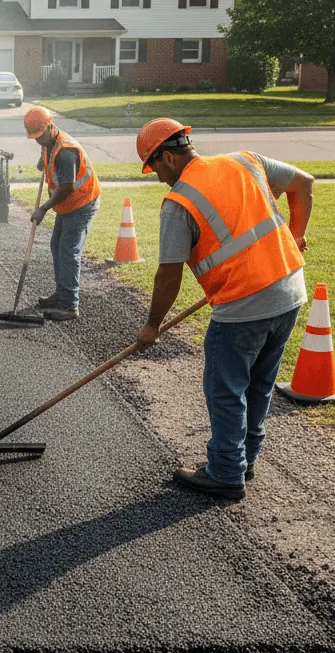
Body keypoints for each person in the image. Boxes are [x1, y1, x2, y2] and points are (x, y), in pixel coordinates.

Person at [134, 118, 314, 501]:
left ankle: (225, 473)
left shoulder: (179, 201)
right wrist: (296, 236)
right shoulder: (245, 160)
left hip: (243, 307)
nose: (158, 178)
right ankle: (244, 460)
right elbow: (304, 184)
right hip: (289, 292)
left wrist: (151, 326)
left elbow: (168, 275)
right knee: (259, 385)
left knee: (226, 389)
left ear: (167, 156)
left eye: (156, 169)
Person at [24, 106, 101, 320]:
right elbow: (46, 155)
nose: (38, 141)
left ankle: (69, 305)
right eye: (35, 138)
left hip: (82, 203)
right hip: (68, 205)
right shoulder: (48, 142)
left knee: (68, 250)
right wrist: (43, 160)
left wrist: (43, 209)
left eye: (40, 137)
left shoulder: (66, 152)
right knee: (56, 244)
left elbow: (66, 187)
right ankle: (61, 293)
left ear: (50, 126)